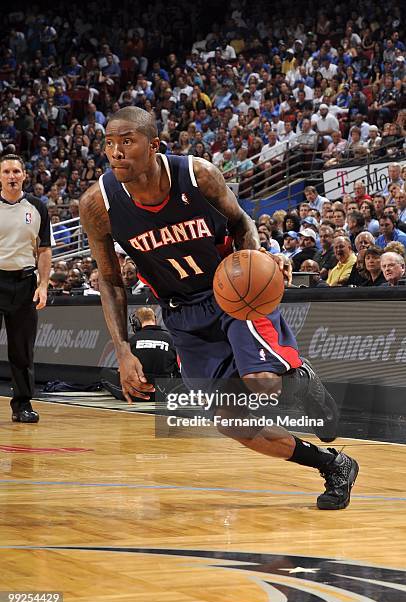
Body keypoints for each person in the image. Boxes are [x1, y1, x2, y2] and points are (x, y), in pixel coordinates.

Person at [80, 106, 358, 511]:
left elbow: (242, 223)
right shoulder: (97, 205)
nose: (116, 152)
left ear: (154, 145)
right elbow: (109, 279)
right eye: (109, 143)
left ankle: (301, 379)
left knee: (261, 380)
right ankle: (333, 465)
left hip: (231, 291)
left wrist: (257, 263)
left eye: (127, 141)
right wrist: (122, 349)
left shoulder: (197, 175)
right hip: (180, 313)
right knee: (233, 423)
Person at [0, 154, 52, 422]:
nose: (12, 176)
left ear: (24, 175)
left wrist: (43, 285)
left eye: (16, 171)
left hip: (24, 282)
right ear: (0, 176)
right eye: (7, 171)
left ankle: (22, 405)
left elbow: (44, 250)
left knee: (22, 350)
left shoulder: (37, 206)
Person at [101, 307, 179, 401]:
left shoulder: (131, 341)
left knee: (104, 373)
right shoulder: (171, 339)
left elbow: (122, 370)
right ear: (155, 319)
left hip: (136, 392)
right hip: (165, 393)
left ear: (136, 323)